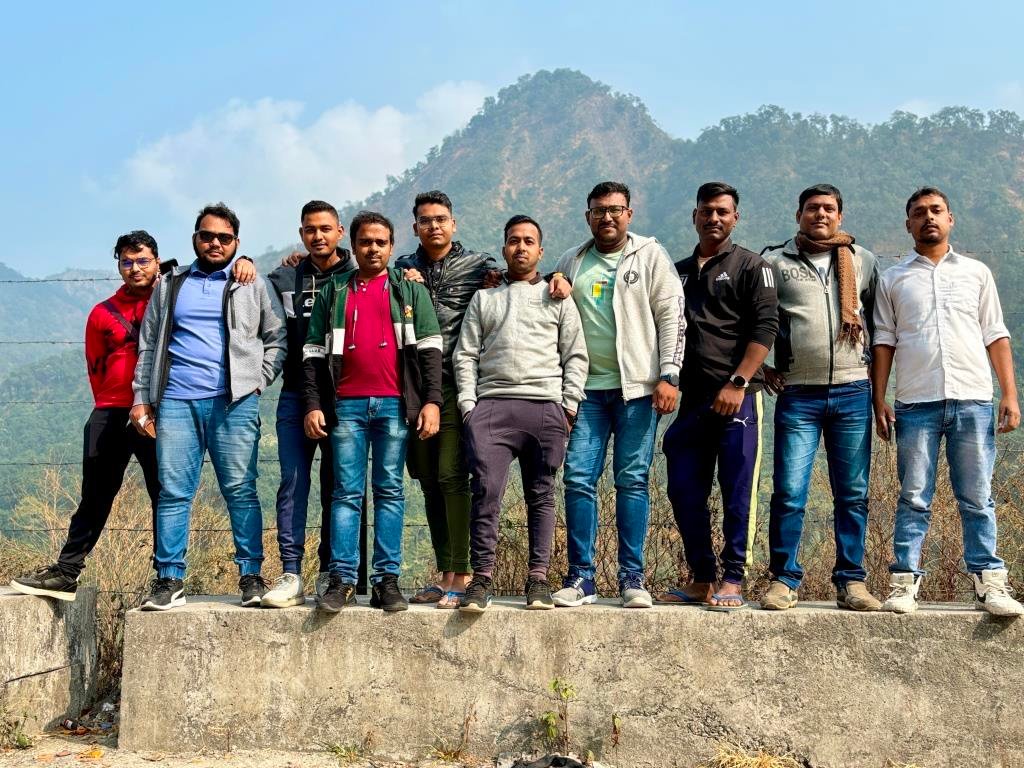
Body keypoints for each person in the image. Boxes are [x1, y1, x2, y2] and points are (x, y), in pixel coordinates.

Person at [872, 187, 1023, 616]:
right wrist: (879, 398)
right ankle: (904, 583)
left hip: (973, 398)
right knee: (914, 496)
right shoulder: (893, 278)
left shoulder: (976, 273)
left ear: (950, 219)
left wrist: (1009, 394)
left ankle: (990, 583)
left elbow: (995, 333)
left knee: (977, 497)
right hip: (915, 402)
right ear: (908, 225)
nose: (929, 218)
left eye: (936, 210)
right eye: (919, 213)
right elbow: (884, 341)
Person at [131, 203, 286, 611]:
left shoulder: (251, 283)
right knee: (174, 493)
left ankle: (251, 576)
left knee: (241, 491)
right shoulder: (170, 285)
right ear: (195, 238)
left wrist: (256, 382)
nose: (215, 243)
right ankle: (169, 580)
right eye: (207, 235)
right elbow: (149, 344)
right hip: (176, 402)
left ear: (236, 242)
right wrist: (141, 397)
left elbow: (277, 338)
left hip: (234, 403)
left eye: (224, 237)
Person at [551, 181, 685, 609]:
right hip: (586, 392)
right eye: (598, 211)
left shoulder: (649, 255)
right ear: (587, 216)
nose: (606, 217)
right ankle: (581, 577)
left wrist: (669, 375)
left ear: (629, 213)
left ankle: (632, 578)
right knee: (577, 478)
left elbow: (672, 315)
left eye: (614, 209)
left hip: (638, 390)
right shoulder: (572, 260)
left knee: (632, 480)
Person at [302, 211, 442, 613]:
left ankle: (386, 581)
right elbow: (312, 353)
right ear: (354, 245)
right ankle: (343, 580)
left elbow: (431, 349)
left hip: (395, 405)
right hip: (345, 405)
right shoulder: (334, 291)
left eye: (381, 242)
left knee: (390, 491)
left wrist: (431, 401)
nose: (373, 248)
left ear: (392, 246)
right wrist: (313, 404)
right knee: (346, 493)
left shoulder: (409, 291)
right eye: (366, 242)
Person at [453, 215, 588, 612]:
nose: (521, 247)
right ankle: (481, 580)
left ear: (541, 251)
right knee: (486, 492)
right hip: (491, 407)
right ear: (504, 248)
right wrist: (468, 407)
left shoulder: (557, 296)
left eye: (529, 241)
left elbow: (575, 354)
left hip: (545, 408)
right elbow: (465, 354)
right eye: (514, 240)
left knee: (542, 495)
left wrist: (568, 406)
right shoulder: (485, 298)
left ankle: (538, 580)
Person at [758, 183, 881, 611]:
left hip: (853, 390)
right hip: (798, 394)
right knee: (790, 491)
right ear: (799, 215)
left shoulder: (862, 260)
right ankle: (784, 580)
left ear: (840, 216)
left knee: (852, 492)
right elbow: (753, 318)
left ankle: (852, 581)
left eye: (829, 208)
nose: (821, 214)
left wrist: (878, 382)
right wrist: (761, 368)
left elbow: (880, 323)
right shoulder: (775, 262)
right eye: (812, 208)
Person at [660, 182, 778, 610]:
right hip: (692, 401)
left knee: (737, 491)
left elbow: (765, 328)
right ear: (695, 216)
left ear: (735, 218)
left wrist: (739, 382)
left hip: (738, 398)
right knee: (683, 489)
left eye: (722, 212)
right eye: (707, 211)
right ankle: (702, 577)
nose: (714, 218)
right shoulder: (676, 272)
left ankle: (733, 578)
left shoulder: (753, 266)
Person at [395, 191, 498, 608]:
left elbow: (518, 275)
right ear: (415, 226)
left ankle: (463, 573)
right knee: (427, 479)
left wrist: (556, 278)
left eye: (441, 219)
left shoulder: (478, 266)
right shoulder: (403, 268)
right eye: (425, 220)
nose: (434, 225)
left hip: (457, 381)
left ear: (453, 224)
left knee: (453, 475)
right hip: (413, 384)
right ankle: (444, 572)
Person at [260, 201, 357, 608]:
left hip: (345, 399)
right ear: (301, 234)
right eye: (310, 230)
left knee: (339, 487)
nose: (318, 236)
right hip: (295, 396)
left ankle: (332, 572)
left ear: (339, 232)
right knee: (293, 483)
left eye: (325, 229)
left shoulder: (356, 276)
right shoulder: (283, 277)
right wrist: (244, 262)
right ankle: (291, 572)